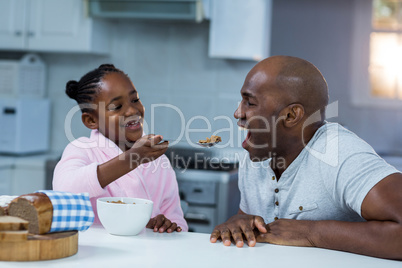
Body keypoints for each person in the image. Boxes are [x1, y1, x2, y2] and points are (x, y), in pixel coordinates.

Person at [209, 55, 402, 260]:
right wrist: (238, 224)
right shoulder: (257, 154)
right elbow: (250, 223)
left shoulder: (340, 153)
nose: (238, 113)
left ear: (291, 116)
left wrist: (311, 233)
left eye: (249, 102)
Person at [53, 64, 187, 233]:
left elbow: (177, 220)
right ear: (90, 120)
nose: (132, 110)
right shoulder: (83, 149)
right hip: (98, 254)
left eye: (135, 99)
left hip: (147, 256)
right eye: (117, 107)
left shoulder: (159, 161)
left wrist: (168, 226)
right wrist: (132, 159)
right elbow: (64, 189)